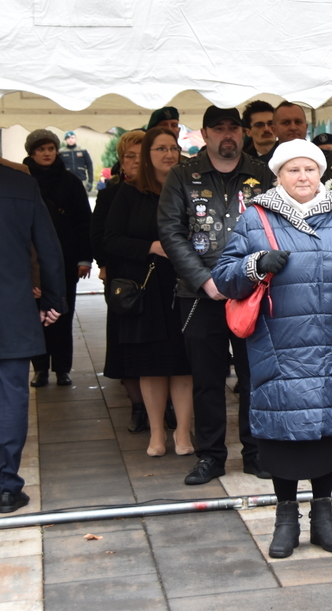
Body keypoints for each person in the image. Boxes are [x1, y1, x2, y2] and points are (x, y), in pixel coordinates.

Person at [212, 139, 332, 558]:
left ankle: (323, 517)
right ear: (278, 175)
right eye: (293, 170)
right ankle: (285, 518)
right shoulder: (254, 219)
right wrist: (254, 265)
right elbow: (224, 278)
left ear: (321, 173)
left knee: (327, 435)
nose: (302, 177)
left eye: (310, 169)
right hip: (277, 349)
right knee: (281, 435)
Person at [157, 106, 273, 485]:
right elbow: (171, 232)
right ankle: (211, 456)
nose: (228, 135)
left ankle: (256, 453)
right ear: (204, 134)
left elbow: (277, 228)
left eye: (233, 128)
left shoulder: (261, 174)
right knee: (207, 379)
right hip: (198, 294)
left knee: (255, 376)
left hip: (253, 291)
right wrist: (205, 281)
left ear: (243, 133)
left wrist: (254, 275)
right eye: (219, 129)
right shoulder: (182, 175)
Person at [104, 128, 194, 456]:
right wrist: (151, 247)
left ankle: (183, 434)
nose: (168, 154)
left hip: (185, 287)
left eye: (172, 148)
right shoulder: (128, 194)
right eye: (160, 149)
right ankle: (157, 435)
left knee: (183, 364)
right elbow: (109, 240)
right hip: (146, 290)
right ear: (147, 155)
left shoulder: (189, 188)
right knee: (151, 365)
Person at [0, 160, 65, 514]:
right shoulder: (22, 186)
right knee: (10, 397)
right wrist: (53, 301)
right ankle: (7, 485)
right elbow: (49, 249)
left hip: (13, 308)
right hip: (11, 308)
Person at [21, 130, 93, 387]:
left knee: (62, 312)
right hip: (32, 263)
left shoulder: (70, 181)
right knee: (35, 315)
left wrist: (85, 258)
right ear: (31, 152)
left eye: (51, 148)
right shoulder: (22, 180)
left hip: (66, 259)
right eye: (41, 149)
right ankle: (40, 368)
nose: (47, 153)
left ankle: (62, 368)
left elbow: (84, 221)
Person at [91, 130, 147, 433]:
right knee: (125, 344)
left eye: (142, 155)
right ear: (121, 162)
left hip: (158, 279)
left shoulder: (165, 190)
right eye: (130, 156)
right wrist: (104, 264)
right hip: (123, 281)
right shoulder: (110, 194)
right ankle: (138, 406)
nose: (136, 162)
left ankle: (162, 405)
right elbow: (99, 236)